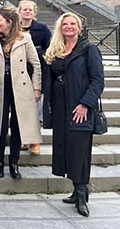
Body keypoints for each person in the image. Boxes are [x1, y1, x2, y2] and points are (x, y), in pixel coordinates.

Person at [43, 12, 104, 217]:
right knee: (66, 149)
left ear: (79, 27)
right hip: (61, 108)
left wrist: (85, 104)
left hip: (80, 108)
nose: (69, 27)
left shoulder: (89, 50)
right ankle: (75, 189)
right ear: (60, 28)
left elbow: (98, 81)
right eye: (65, 24)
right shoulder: (57, 50)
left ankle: (81, 194)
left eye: (72, 24)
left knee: (79, 151)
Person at [0, 6, 42, 180]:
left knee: (18, 126)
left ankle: (14, 162)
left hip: (20, 87)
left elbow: (36, 63)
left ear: (9, 22)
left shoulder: (25, 38)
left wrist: (36, 87)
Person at [18, 0, 52, 155]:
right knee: (21, 110)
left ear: (34, 12)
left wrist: (34, 53)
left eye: (30, 10)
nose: (27, 12)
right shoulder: (14, 28)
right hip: (18, 72)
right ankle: (24, 139)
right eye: (24, 9)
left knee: (36, 110)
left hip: (36, 73)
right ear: (19, 11)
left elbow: (50, 49)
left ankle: (35, 142)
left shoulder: (42, 29)